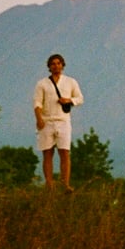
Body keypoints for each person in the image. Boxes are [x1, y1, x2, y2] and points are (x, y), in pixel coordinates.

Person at [34, 53, 83, 191]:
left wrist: (69, 100)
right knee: (47, 153)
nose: (56, 66)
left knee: (65, 152)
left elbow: (80, 98)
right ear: (49, 66)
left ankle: (65, 184)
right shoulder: (42, 83)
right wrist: (39, 119)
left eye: (58, 63)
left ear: (62, 65)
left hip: (63, 121)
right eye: (53, 64)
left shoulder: (70, 82)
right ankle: (49, 183)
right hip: (46, 121)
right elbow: (37, 103)